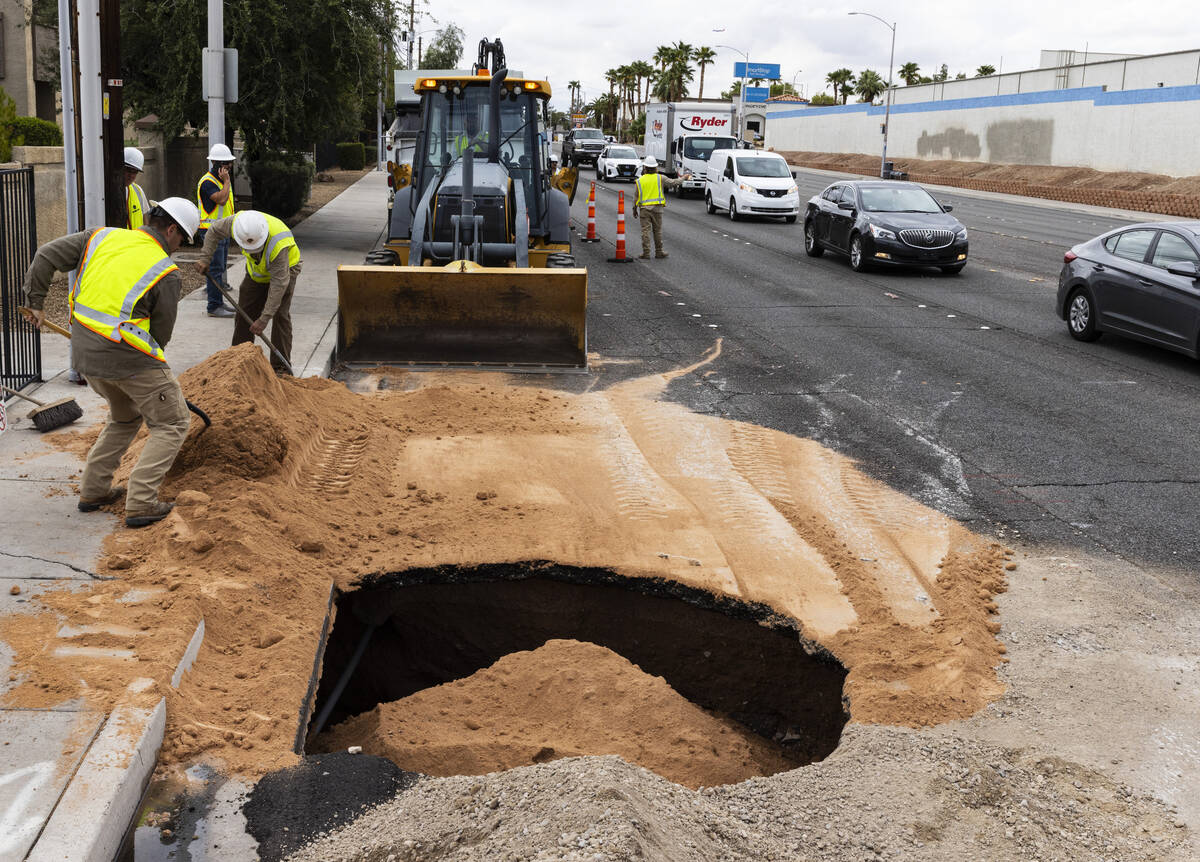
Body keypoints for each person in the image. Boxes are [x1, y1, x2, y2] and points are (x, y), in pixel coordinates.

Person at [20, 198, 201, 528]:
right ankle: (142, 502)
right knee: (172, 422)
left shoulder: (101, 236)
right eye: (182, 239)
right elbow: (161, 335)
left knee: (125, 417)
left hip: (85, 356)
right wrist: (155, 380)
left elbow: (46, 253)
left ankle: (94, 491)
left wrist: (35, 302)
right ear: (172, 229)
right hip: (129, 359)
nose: (179, 247)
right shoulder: (166, 272)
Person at [194, 210, 301, 375]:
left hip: (287, 269)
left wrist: (264, 318)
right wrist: (205, 258)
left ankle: (281, 368)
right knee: (244, 312)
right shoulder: (237, 224)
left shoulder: (278, 244)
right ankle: (238, 360)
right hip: (256, 272)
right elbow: (213, 230)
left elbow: (279, 284)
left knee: (280, 315)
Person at [195, 143, 237, 318]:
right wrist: (227, 181)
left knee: (219, 268)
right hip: (211, 232)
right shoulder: (208, 182)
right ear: (215, 163)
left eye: (229, 163)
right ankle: (213, 306)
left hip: (222, 231)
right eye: (225, 163)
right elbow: (220, 200)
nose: (228, 166)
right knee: (214, 269)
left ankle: (218, 302)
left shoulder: (220, 181)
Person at [632, 157, 690, 259]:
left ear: (645, 167)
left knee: (645, 231)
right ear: (655, 168)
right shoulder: (660, 178)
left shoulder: (640, 180)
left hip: (644, 210)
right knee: (657, 231)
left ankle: (646, 253)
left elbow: (636, 196)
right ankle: (659, 252)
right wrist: (684, 177)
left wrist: (634, 209)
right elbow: (674, 183)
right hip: (657, 209)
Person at [123, 147, 149, 230]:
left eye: (135, 172)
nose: (131, 175)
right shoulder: (106, 192)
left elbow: (145, 219)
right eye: (128, 170)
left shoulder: (138, 191)